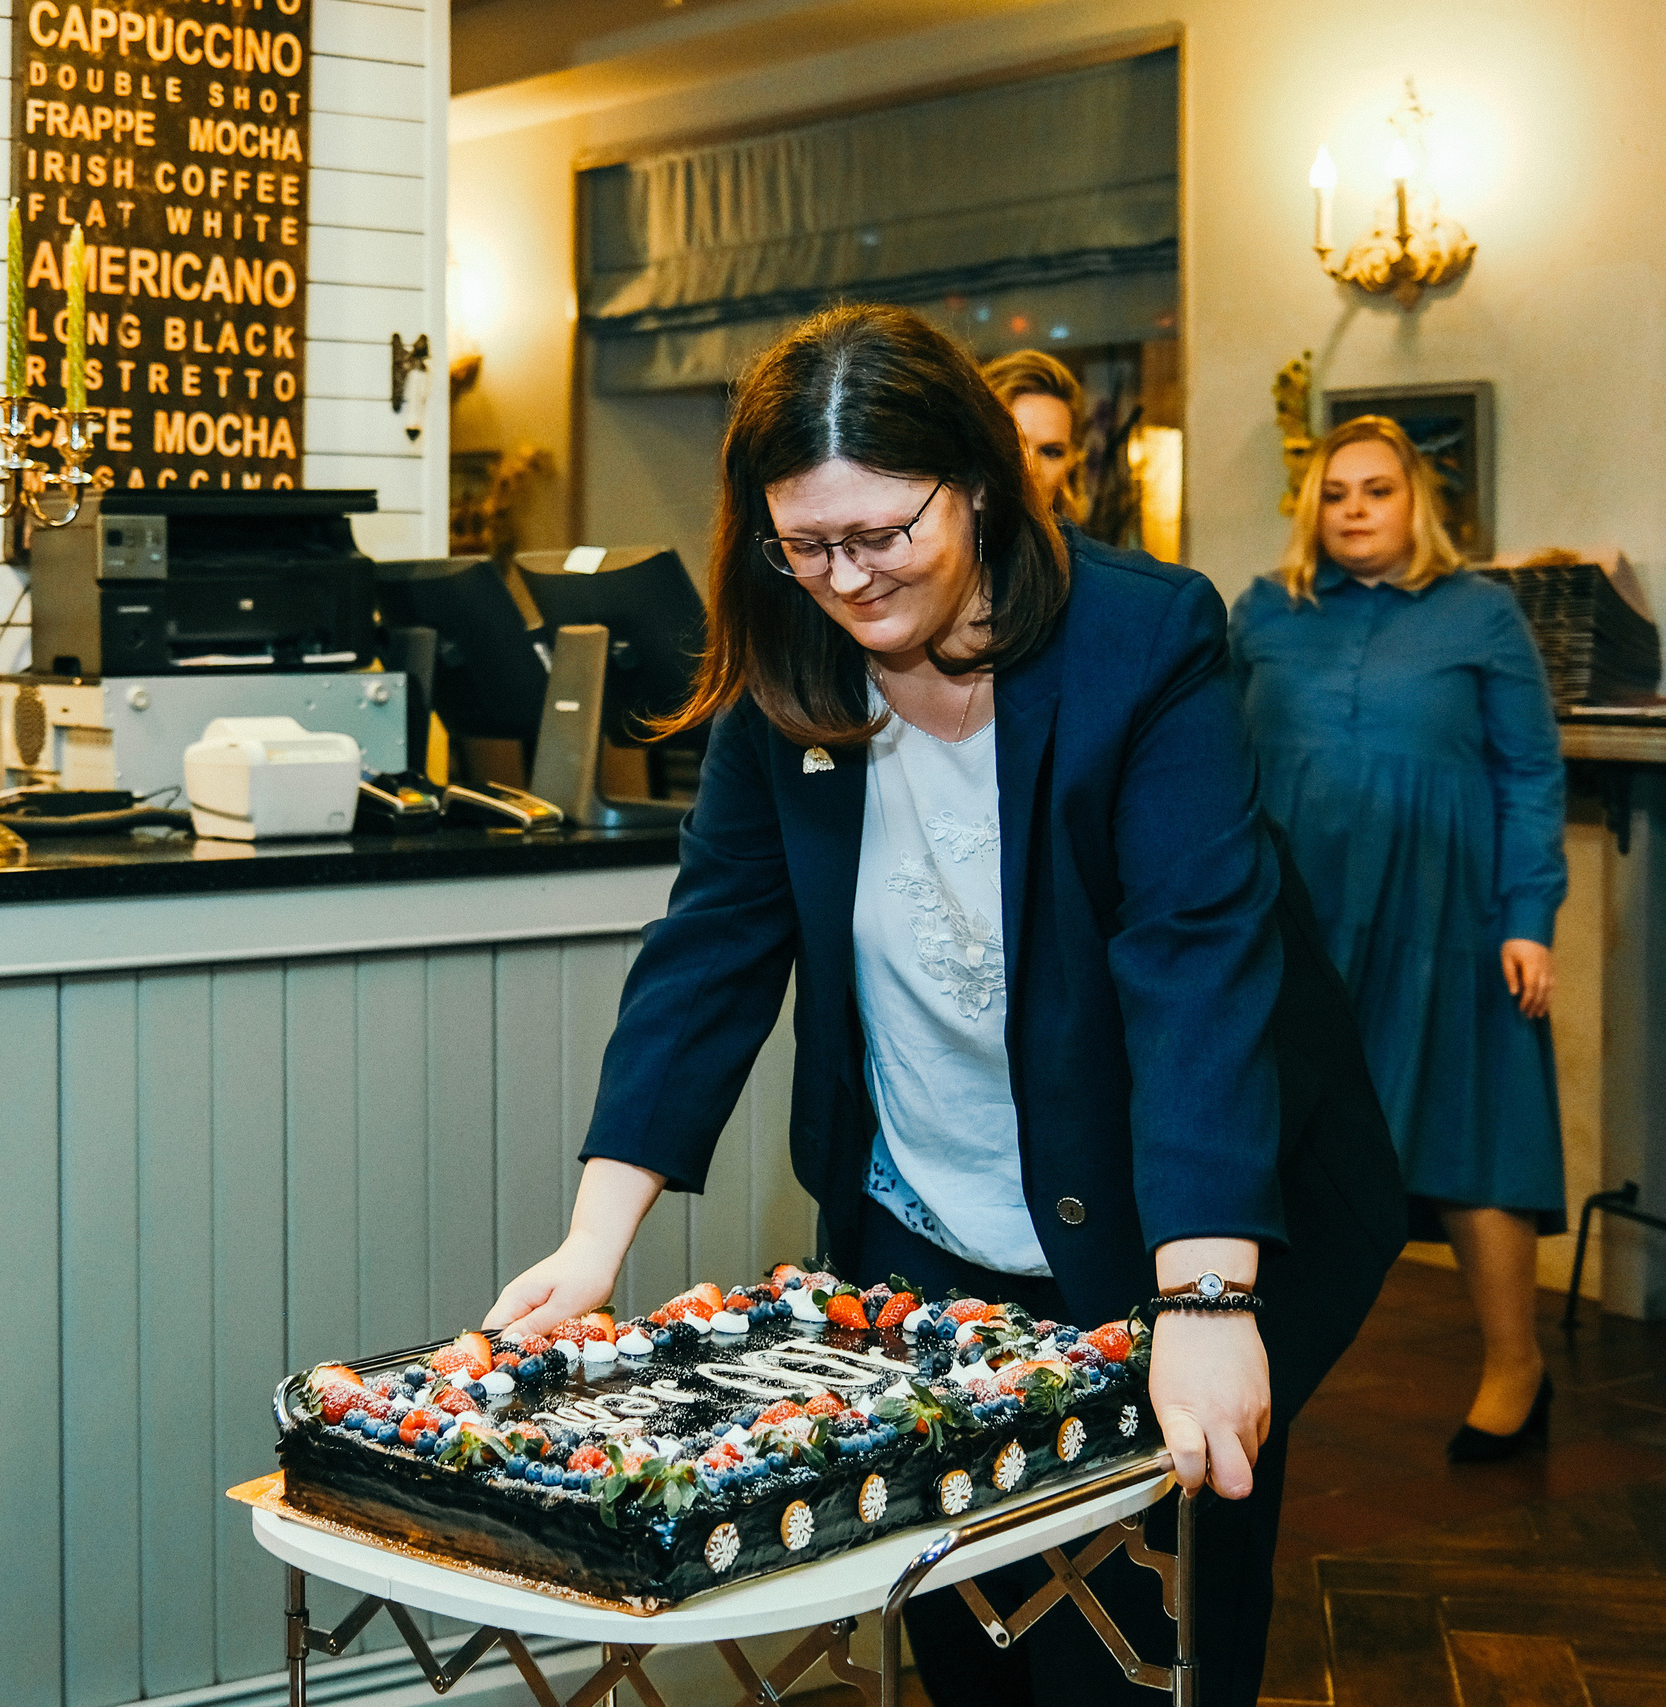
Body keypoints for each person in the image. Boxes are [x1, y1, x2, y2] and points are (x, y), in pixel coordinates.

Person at [482, 303, 1403, 1705]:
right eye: (807, 542)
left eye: (882, 533)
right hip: (930, 1219)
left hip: (1186, 1208)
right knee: (963, 1621)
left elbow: (1196, 960)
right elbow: (711, 948)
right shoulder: (789, 662)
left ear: (971, 482)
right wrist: (596, 1235)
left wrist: (1210, 1295)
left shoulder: (1140, 644)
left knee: (1146, 1639)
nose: (845, 578)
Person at [1229, 416, 1568, 1462]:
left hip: (1448, 922)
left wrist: (1527, 919)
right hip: (1301, 919)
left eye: (1376, 490)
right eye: (1334, 495)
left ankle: (1514, 1364)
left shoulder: (1483, 615)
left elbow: (1529, 773)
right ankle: (1251, 1365)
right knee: (1273, 1143)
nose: (1354, 510)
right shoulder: (1264, 612)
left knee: (1479, 1141)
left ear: (1415, 500)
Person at [982, 347, 1086, 522]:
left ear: (1070, 464)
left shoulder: (1083, 550)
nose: (1029, 469)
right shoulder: (928, 545)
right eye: (1010, 445)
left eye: (1051, 452)